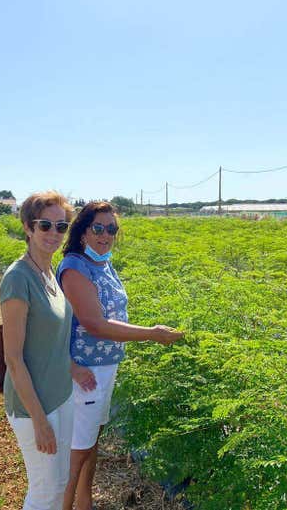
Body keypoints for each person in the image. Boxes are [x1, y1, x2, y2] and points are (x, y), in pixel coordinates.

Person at [57, 201, 184, 510]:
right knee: (76, 451)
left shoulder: (103, 263)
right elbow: (94, 324)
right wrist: (153, 334)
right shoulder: (75, 267)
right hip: (85, 371)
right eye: (98, 228)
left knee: (91, 442)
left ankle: (84, 503)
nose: (105, 235)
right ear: (83, 231)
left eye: (111, 229)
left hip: (105, 367)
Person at [0, 191, 75, 510]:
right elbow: (13, 359)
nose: (54, 233)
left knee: (60, 484)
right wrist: (40, 421)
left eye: (62, 226)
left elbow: (52, 339)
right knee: (45, 490)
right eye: (46, 225)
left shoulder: (50, 271)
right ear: (28, 227)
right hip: (35, 405)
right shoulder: (18, 279)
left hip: (61, 395)